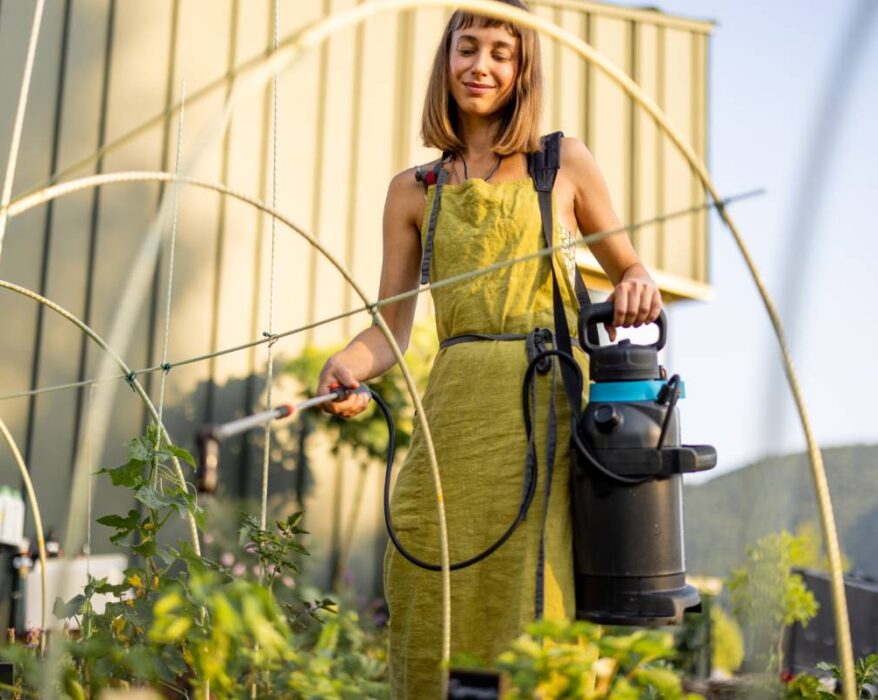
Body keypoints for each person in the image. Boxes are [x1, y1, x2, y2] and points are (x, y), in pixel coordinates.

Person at [317, 0, 662, 695]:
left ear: (522, 68)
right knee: (424, 564)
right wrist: (344, 368)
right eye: (468, 48)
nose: (481, 66)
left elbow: (630, 268)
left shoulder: (563, 163)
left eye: (501, 53)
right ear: (446, 60)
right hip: (452, 415)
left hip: (542, 412)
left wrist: (635, 284)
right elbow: (389, 330)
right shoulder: (413, 191)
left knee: (537, 590)